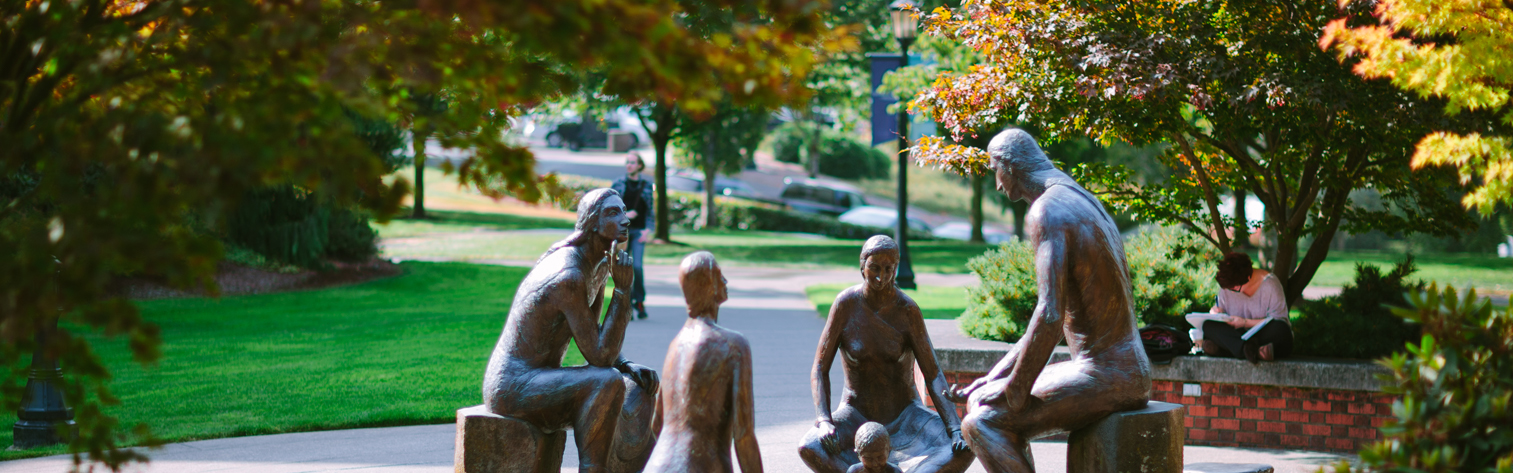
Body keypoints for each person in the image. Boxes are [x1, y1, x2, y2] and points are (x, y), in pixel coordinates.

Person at [944, 128, 1150, 473]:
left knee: (983, 421)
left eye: (996, 170)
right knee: (986, 399)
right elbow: (1050, 316)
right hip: (1125, 366)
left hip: (1108, 373)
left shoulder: (1046, 212)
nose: (997, 183)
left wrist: (1016, 388)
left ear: (1010, 167)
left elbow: (1050, 315)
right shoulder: (1077, 197)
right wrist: (997, 376)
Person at [482, 188, 661, 473]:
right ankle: (593, 469)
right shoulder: (569, 275)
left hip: (542, 378)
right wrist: (623, 292)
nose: (625, 219)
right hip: (513, 386)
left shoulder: (599, 266)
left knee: (637, 386)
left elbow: (594, 339)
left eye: (623, 211)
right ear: (593, 223)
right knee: (606, 382)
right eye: (613, 213)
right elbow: (599, 357)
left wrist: (625, 364)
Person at [798, 235, 974, 473]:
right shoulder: (845, 305)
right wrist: (824, 420)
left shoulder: (908, 311)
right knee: (810, 446)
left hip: (906, 416)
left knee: (965, 446)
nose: (881, 277)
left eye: (889, 269)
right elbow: (820, 368)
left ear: (896, 268)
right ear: (862, 266)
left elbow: (932, 374)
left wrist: (954, 428)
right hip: (855, 416)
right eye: (874, 268)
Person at [643, 252, 762, 473]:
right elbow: (743, 434)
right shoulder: (733, 345)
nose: (725, 281)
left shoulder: (676, 345)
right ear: (708, 285)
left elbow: (657, 425)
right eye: (719, 274)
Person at [1201, 252, 1292, 363]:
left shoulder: (1270, 285)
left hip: (1262, 336)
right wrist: (1214, 311)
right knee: (1208, 326)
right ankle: (1252, 351)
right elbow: (1220, 308)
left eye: (1235, 289)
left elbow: (1277, 320)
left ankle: (1230, 350)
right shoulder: (1228, 285)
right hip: (1238, 335)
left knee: (1281, 329)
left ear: (1248, 277)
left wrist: (1245, 322)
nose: (1231, 291)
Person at [612, 152, 655, 319]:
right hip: (622, 233)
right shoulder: (618, 184)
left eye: (632, 163)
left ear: (639, 166)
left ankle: (639, 300)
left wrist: (647, 230)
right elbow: (610, 209)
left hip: (638, 232)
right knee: (623, 268)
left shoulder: (646, 186)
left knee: (637, 266)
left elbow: (651, 210)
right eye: (627, 162)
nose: (629, 165)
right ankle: (626, 303)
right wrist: (624, 215)